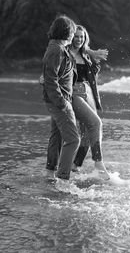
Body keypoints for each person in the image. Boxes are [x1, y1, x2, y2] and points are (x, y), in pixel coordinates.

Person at [46, 25, 109, 179]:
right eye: (76, 36)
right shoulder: (65, 52)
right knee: (93, 124)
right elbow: (54, 68)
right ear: (71, 37)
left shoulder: (85, 55)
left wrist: (91, 55)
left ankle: (76, 165)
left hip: (87, 94)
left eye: (82, 37)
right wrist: (46, 79)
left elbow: (92, 76)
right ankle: (98, 163)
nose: (79, 39)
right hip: (71, 94)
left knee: (89, 131)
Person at [42, 15, 80, 183]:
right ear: (67, 32)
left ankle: (50, 174)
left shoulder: (59, 48)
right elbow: (50, 80)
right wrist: (62, 103)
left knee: (56, 137)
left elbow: (52, 75)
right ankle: (63, 179)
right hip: (59, 101)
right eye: (72, 31)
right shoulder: (56, 49)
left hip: (59, 100)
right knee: (73, 139)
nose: (74, 34)